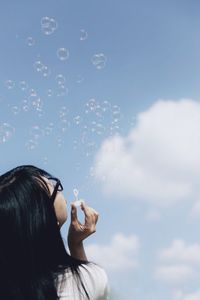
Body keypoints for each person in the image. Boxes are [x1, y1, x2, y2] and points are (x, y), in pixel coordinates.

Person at [0, 165, 109, 300]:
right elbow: (87, 289)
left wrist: (75, 244)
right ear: (44, 222)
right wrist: (76, 246)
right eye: (55, 188)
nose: (60, 189)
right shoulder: (92, 279)